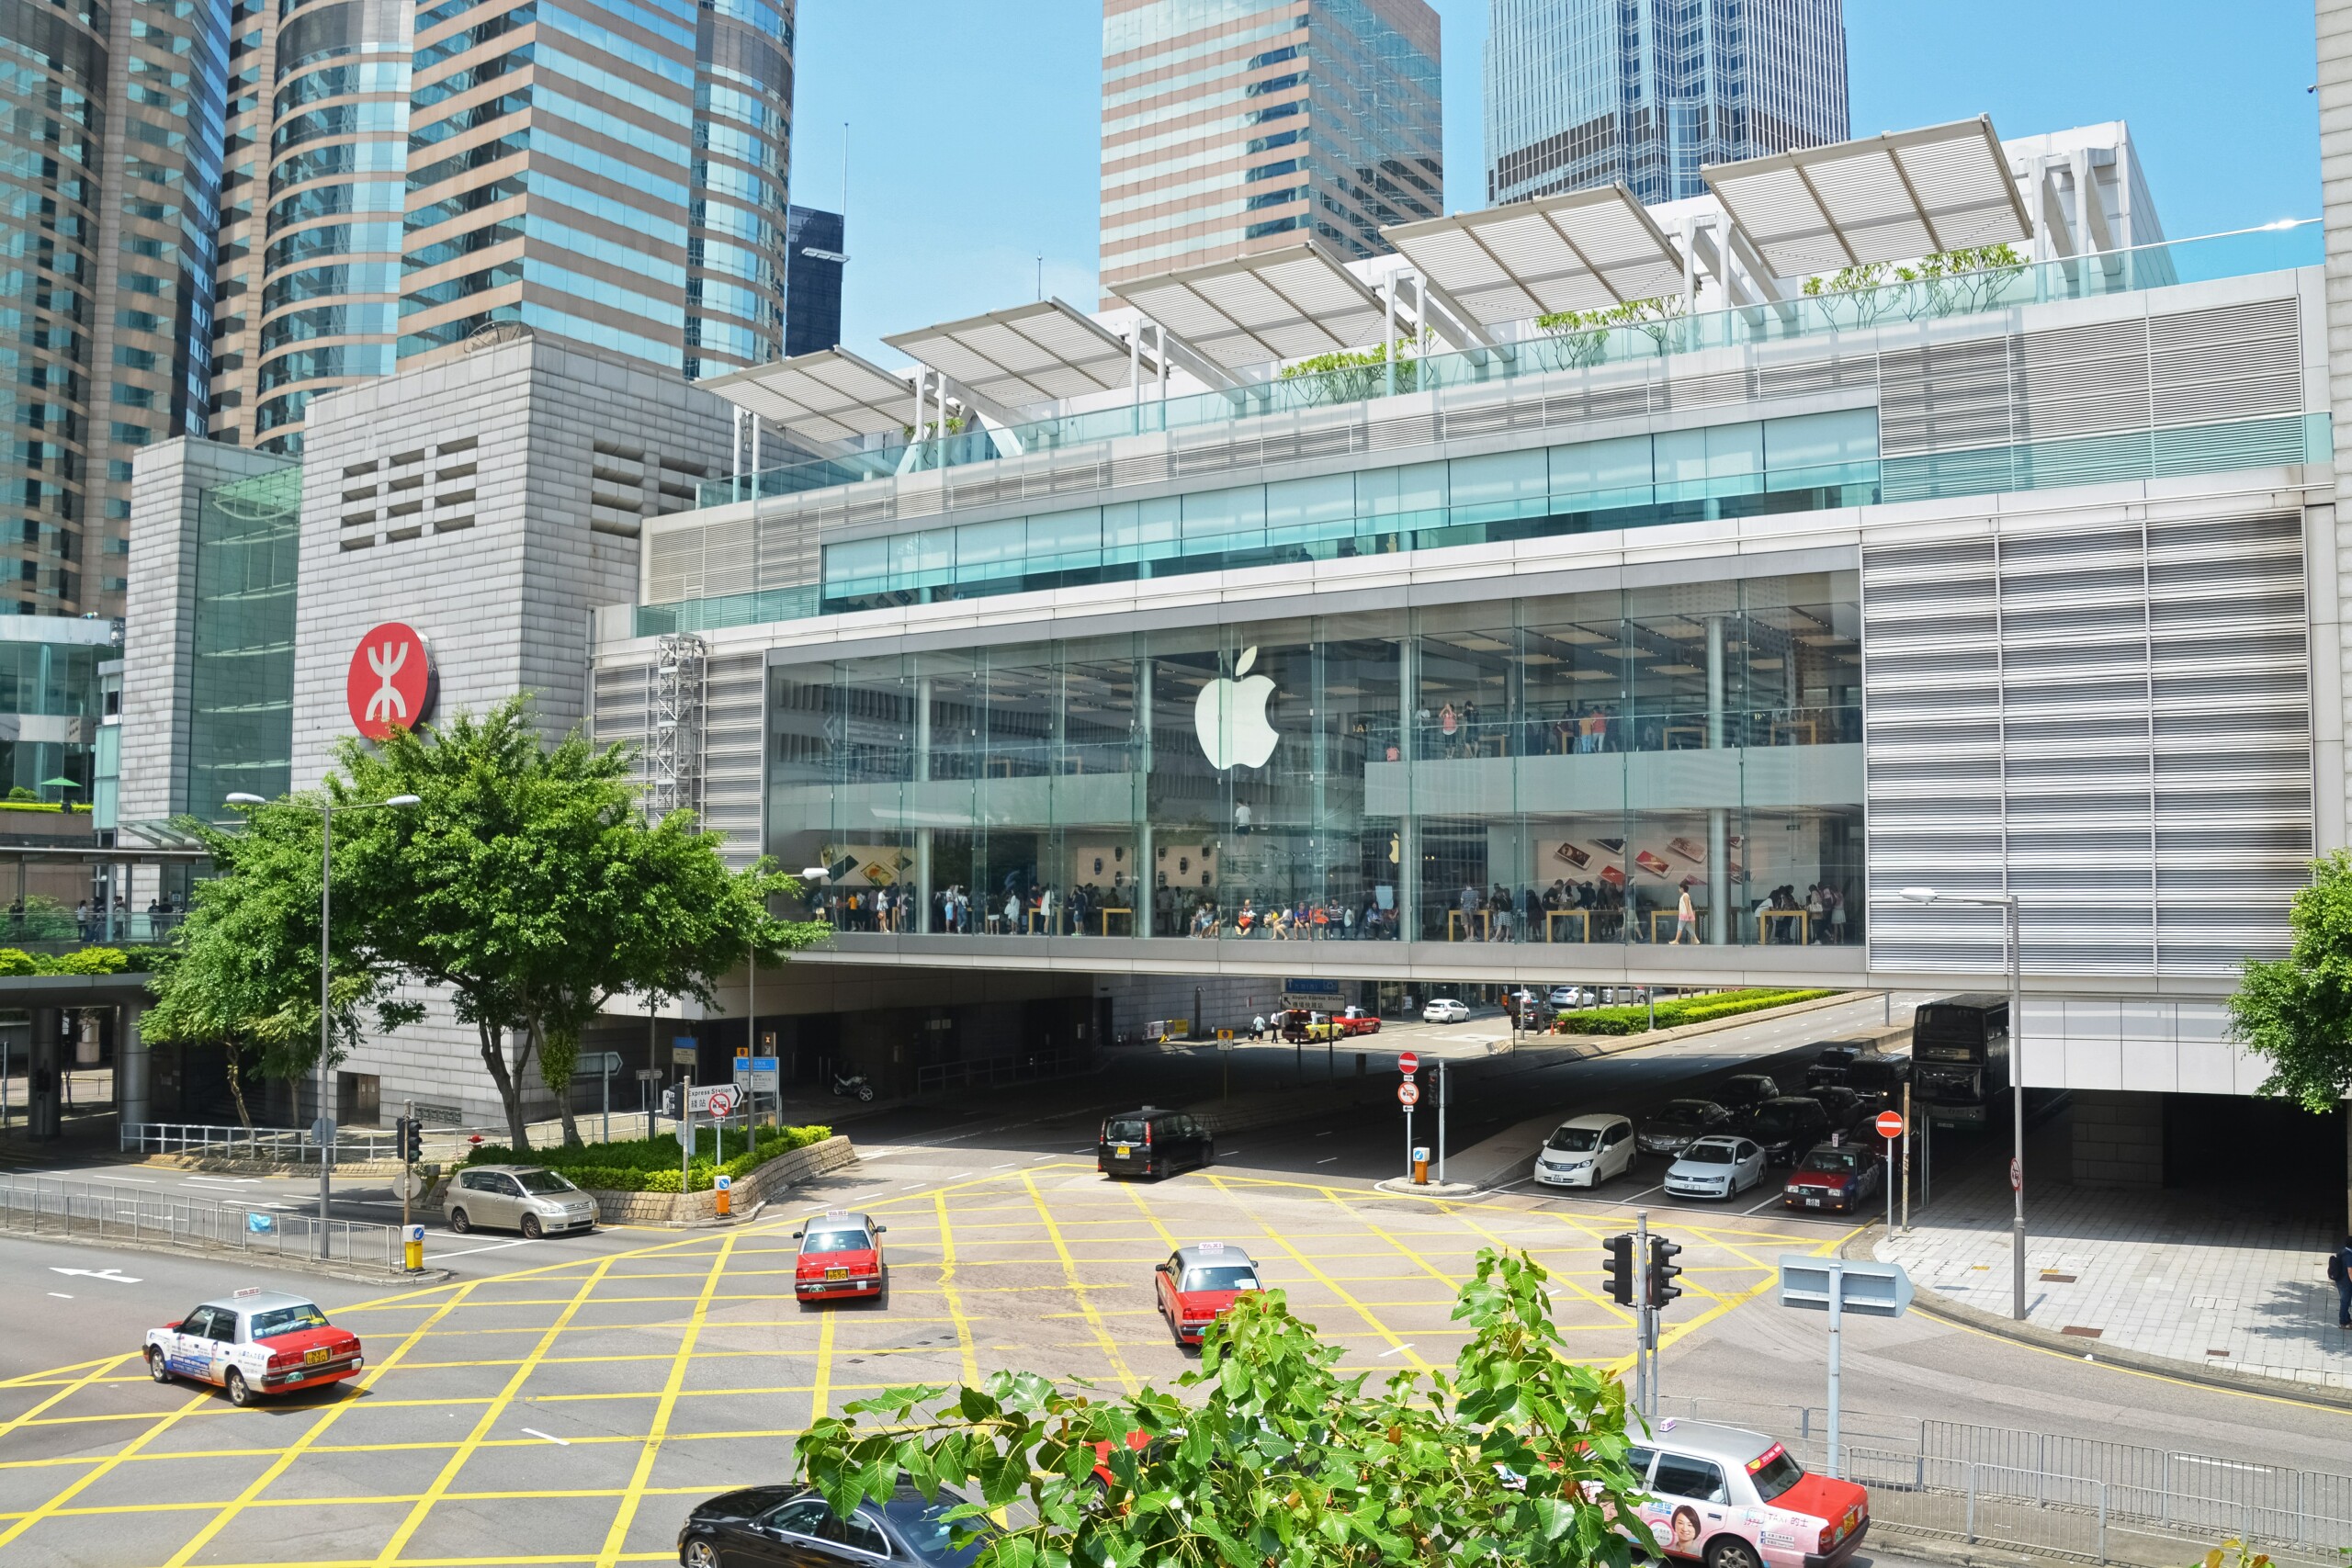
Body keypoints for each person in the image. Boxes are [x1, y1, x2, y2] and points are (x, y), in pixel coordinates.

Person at [2332, 1235, 2352, 1328]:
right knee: (2345, 1302)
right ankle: (2343, 1322)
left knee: (2344, 1301)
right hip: (2346, 1282)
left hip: (2340, 1281)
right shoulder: (2349, 1256)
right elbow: (2350, 1271)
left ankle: (2347, 1319)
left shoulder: (2342, 1251)